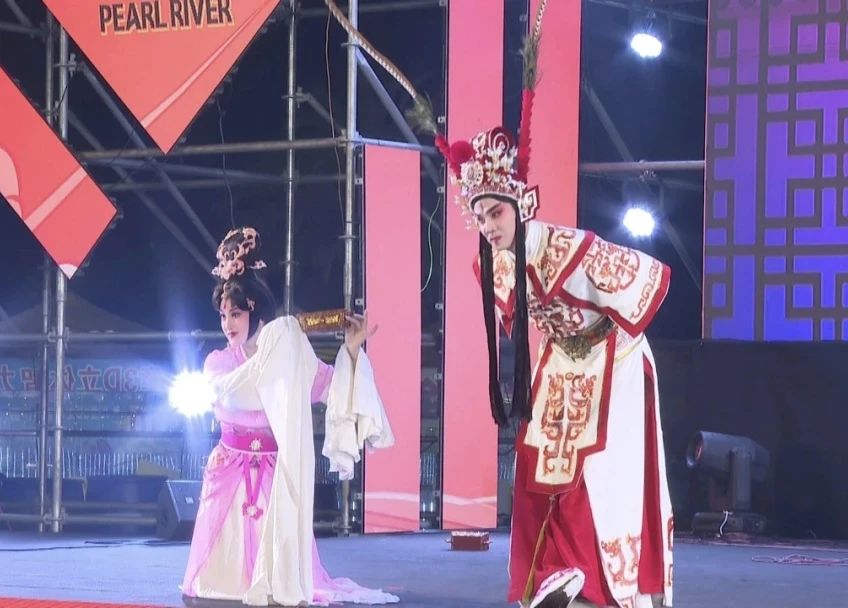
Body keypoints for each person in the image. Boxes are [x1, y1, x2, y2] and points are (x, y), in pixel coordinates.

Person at [320, 1, 673, 604]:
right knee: (537, 463)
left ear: (519, 207)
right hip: (562, 360)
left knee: (598, 470)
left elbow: (645, 280)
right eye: (479, 216)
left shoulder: (568, 247)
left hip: (612, 358)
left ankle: (605, 581)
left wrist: (610, 352)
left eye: (495, 213)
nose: (487, 225)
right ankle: (556, 573)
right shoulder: (494, 266)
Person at [180, 227, 399, 606]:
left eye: (236, 313)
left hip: (273, 467)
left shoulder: (286, 356)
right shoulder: (220, 362)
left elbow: (331, 389)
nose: (228, 324)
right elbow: (230, 391)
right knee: (217, 577)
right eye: (223, 315)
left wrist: (350, 350)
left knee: (280, 549)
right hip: (230, 465)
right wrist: (279, 351)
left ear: (255, 313)